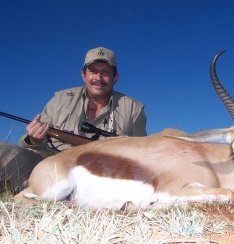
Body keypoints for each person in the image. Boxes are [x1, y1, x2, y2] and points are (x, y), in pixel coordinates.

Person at [1, 46, 147, 189]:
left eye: (105, 72)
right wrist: (33, 139)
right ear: (83, 75)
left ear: (115, 78)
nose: (98, 77)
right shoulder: (60, 99)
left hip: (103, 171)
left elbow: (142, 155)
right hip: (51, 160)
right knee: (4, 152)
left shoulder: (133, 109)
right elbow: (28, 144)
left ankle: (40, 189)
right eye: (93, 71)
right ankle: (41, 187)